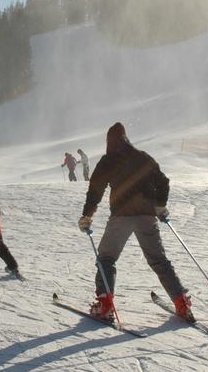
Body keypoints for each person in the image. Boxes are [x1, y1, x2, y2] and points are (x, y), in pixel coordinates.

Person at [77, 122, 192, 322]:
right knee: (158, 260)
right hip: (146, 216)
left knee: (106, 258)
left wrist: (88, 215)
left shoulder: (108, 160)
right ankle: (181, 302)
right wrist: (159, 205)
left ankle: (105, 306)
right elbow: (163, 182)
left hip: (121, 216)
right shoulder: (142, 157)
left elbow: (96, 189)